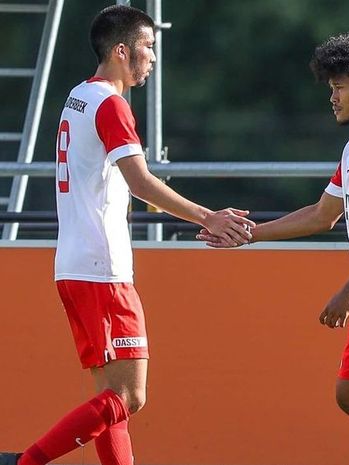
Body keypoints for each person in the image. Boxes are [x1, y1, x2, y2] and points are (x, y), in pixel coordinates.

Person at [0, 6, 253, 465]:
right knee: (131, 397)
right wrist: (207, 217)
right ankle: (26, 461)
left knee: (113, 403)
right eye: (148, 47)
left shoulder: (78, 96)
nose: (154, 57)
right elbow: (140, 181)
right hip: (102, 271)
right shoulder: (111, 104)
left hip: (76, 267)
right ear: (122, 51)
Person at [198, 30, 349, 465]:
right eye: (330, 87)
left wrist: (348, 290)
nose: (332, 97)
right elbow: (320, 214)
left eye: (339, 87)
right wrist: (249, 234)